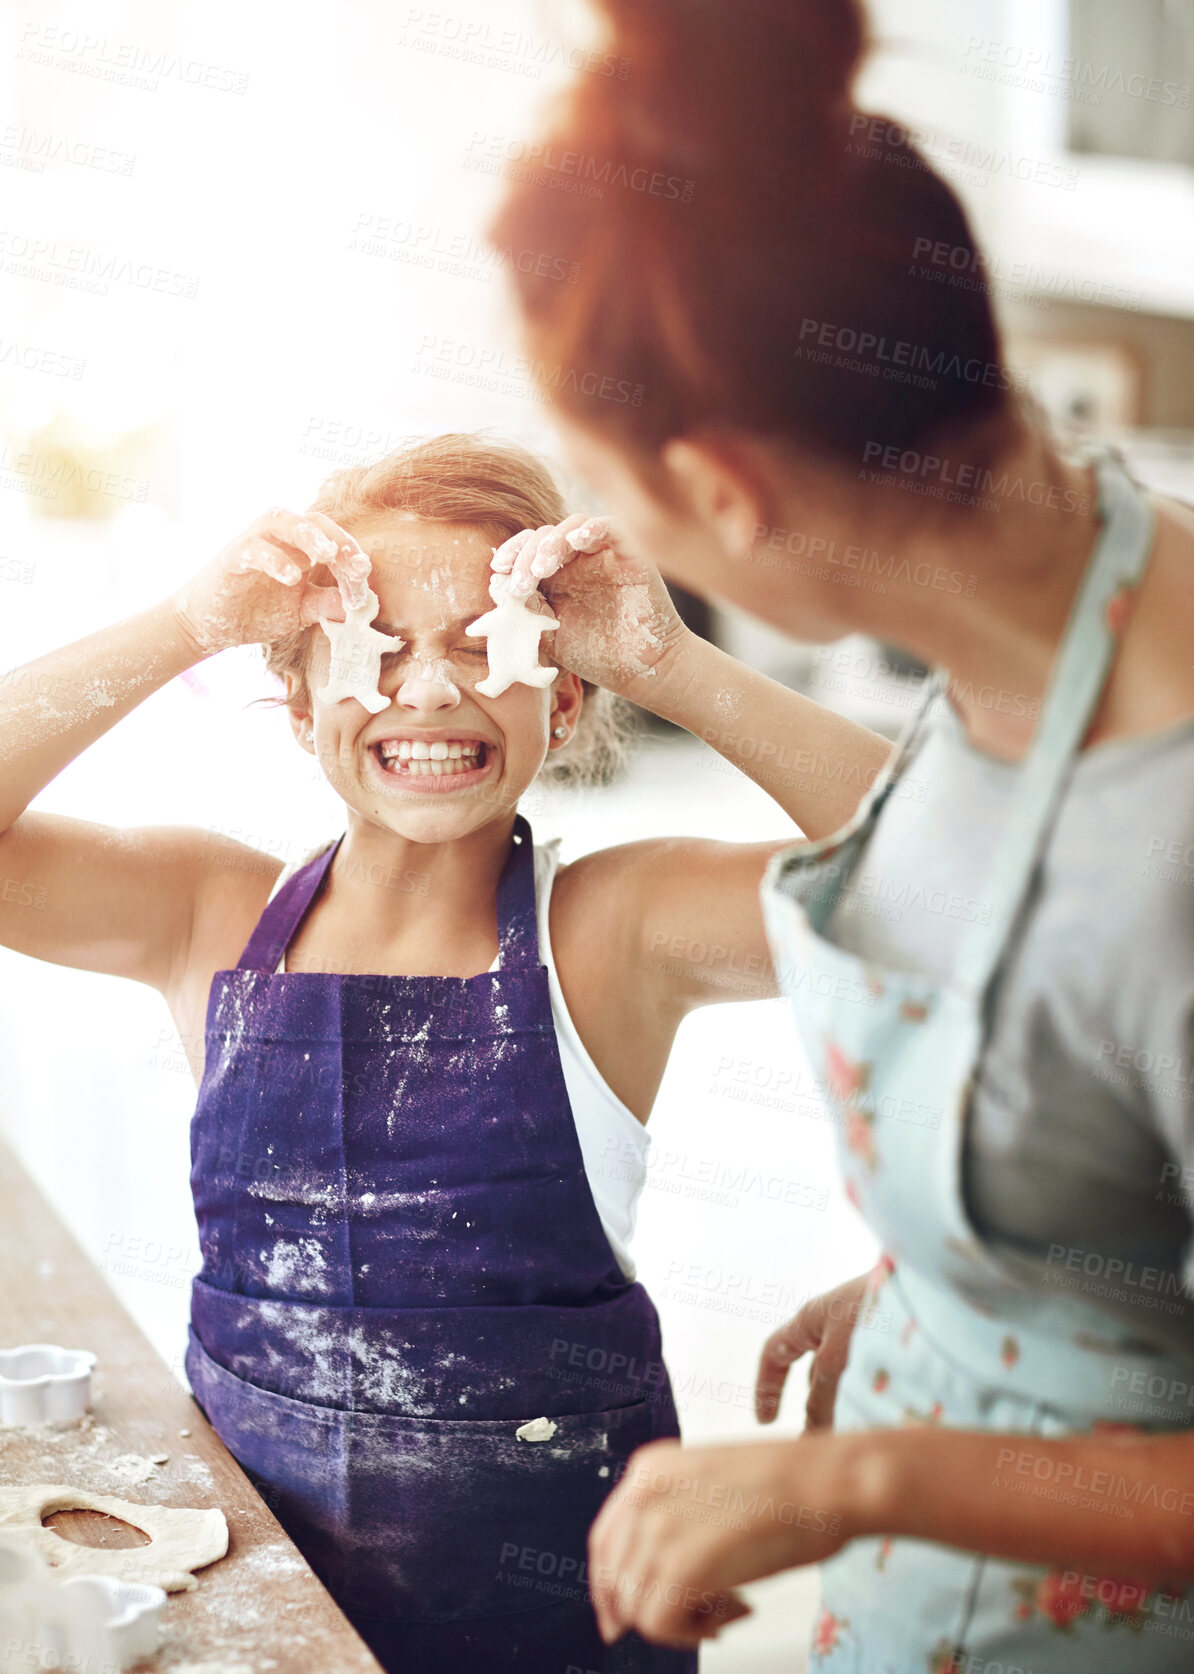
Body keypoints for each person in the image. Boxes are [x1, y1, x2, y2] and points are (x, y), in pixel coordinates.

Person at [492, 0, 1194, 1667]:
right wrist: (963, 1306)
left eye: (619, 487)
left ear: (724, 495)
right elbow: (969, 877)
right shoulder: (1060, 553)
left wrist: (864, 1472)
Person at [0, 432, 890, 1672]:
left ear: (562, 692)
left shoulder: (616, 931)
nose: (427, 692)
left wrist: (673, 666)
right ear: (301, 699)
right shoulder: (200, 911)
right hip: (273, 1614)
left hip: (559, 1624)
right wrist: (183, 624)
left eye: (484, 645)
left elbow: (961, 883)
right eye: (376, 651)